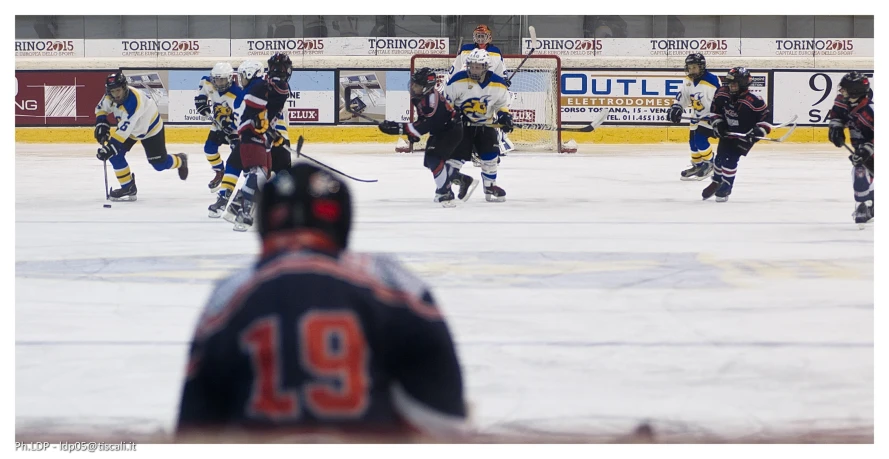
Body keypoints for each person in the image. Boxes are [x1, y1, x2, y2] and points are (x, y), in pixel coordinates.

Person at [176, 162, 468, 440]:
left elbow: (194, 427)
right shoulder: (393, 283)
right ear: (342, 219)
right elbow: (443, 416)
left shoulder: (230, 293)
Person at [378, 68, 477, 207]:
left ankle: (445, 192)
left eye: (416, 85)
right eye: (413, 83)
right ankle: (461, 179)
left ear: (426, 87)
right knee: (430, 162)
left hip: (451, 131)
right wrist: (410, 132)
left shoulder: (431, 100)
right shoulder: (421, 97)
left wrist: (399, 128)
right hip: (442, 130)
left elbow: (427, 124)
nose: (412, 87)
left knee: (434, 159)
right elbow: (423, 121)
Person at [207, 60, 292, 222]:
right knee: (267, 173)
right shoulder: (266, 87)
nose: (240, 80)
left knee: (240, 164)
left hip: (263, 139)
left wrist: (228, 125)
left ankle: (230, 200)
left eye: (242, 76)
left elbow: (251, 118)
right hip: (278, 140)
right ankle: (243, 201)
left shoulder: (254, 91)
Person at [94, 72, 188, 201]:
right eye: (113, 91)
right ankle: (128, 187)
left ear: (125, 87)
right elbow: (101, 109)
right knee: (115, 155)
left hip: (150, 129)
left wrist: (110, 148)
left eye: (118, 90)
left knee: (159, 164)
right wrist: (101, 123)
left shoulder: (134, 102)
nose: (116, 94)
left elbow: (123, 132)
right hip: (130, 130)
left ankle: (181, 160)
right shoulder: (109, 96)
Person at [230, 53, 292, 231]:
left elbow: (265, 115)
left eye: (282, 69)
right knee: (257, 173)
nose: (279, 72)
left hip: (260, 135)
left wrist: (273, 133)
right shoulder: (262, 85)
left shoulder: (277, 87)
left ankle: (238, 206)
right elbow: (252, 110)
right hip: (251, 134)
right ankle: (244, 212)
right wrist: (259, 122)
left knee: (263, 174)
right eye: (276, 68)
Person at [445, 49, 511, 202]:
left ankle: (490, 186)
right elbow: (447, 103)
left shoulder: (498, 84)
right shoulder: (457, 80)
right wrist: (453, 116)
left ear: (486, 67)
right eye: (471, 66)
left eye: (478, 66)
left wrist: (504, 116)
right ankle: (447, 188)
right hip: (462, 126)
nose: (474, 69)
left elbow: (502, 104)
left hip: (485, 125)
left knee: (491, 157)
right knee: (455, 159)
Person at [702, 67, 770, 202]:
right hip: (727, 132)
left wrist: (758, 131)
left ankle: (727, 184)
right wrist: (718, 123)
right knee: (719, 158)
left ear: (744, 83)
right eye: (730, 82)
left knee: (730, 159)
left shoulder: (754, 100)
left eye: (735, 82)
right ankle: (716, 181)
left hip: (744, 136)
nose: (731, 85)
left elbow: (766, 120)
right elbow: (714, 111)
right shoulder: (721, 93)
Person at [449, 24, 513, 161]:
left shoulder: (495, 52)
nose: (480, 39)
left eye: (483, 36)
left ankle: (494, 145)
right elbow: (454, 70)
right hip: (466, 88)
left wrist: (504, 80)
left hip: (486, 89)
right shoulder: (466, 50)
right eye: (478, 36)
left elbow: (501, 72)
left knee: (493, 115)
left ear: (489, 37)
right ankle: (465, 147)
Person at [826, 71, 874, 225]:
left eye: (845, 88)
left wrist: (869, 148)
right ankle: (864, 204)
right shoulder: (843, 100)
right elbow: (837, 113)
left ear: (855, 91)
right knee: (860, 171)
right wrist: (836, 127)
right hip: (860, 146)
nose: (841, 91)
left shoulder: (871, 110)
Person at [668, 53, 720, 181]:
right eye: (689, 67)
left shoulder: (712, 81)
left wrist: (718, 115)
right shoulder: (688, 81)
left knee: (700, 140)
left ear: (702, 67)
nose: (691, 70)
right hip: (696, 117)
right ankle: (698, 165)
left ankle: (710, 163)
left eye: (694, 67)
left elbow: (721, 99)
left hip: (710, 117)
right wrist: (677, 107)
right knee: (693, 143)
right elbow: (683, 97)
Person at [195, 62, 243, 191]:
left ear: (229, 78)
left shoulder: (237, 93)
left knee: (237, 154)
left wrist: (231, 126)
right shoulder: (208, 82)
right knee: (209, 149)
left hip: (235, 127)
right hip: (218, 124)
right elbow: (202, 88)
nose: (219, 83)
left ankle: (235, 179)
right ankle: (219, 171)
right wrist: (201, 101)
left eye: (222, 80)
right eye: (216, 79)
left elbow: (241, 116)